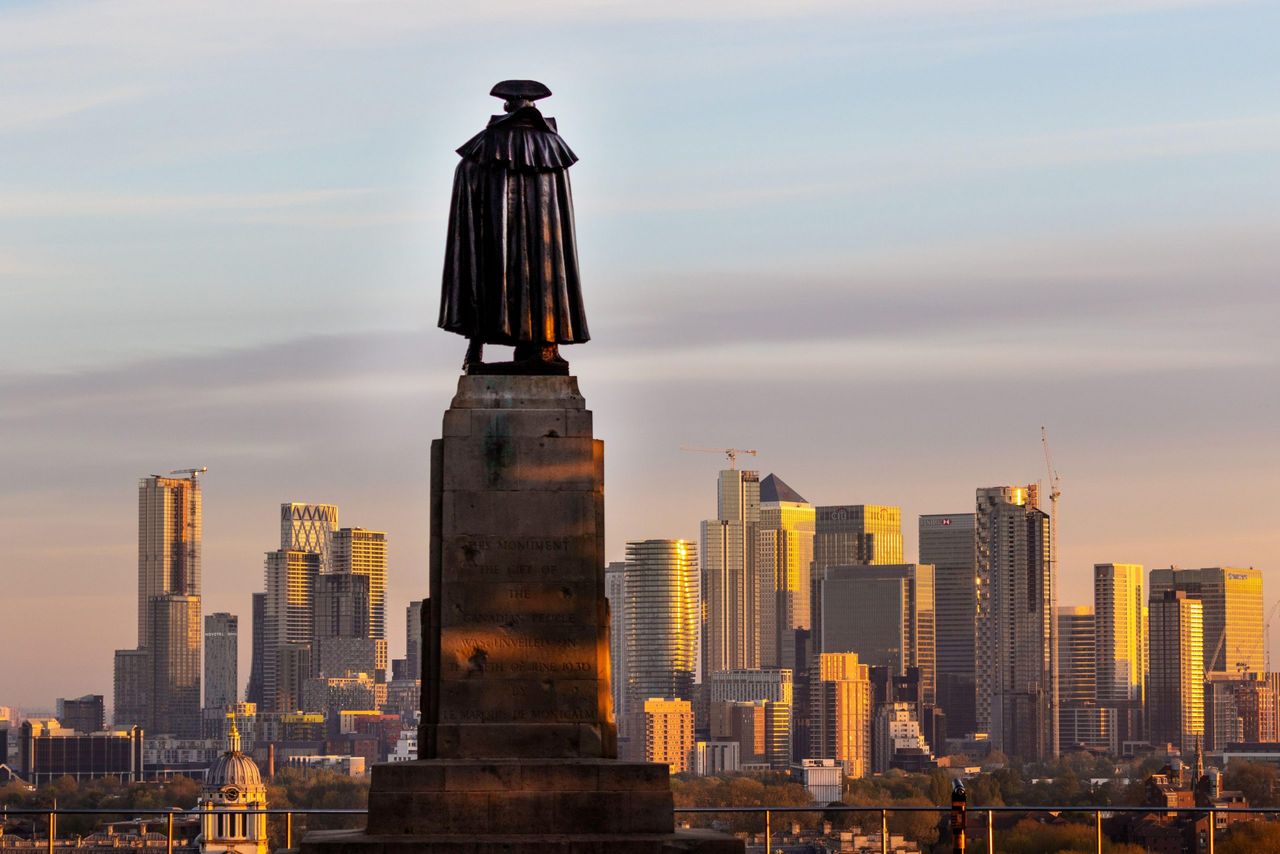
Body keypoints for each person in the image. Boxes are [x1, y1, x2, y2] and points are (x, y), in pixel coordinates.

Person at [438, 80, 589, 374]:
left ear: (507, 106)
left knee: (493, 275)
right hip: (544, 248)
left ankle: (517, 347)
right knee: (544, 272)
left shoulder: (486, 145)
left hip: (496, 238)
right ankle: (544, 344)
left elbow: (466, 181)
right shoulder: (551, 146)